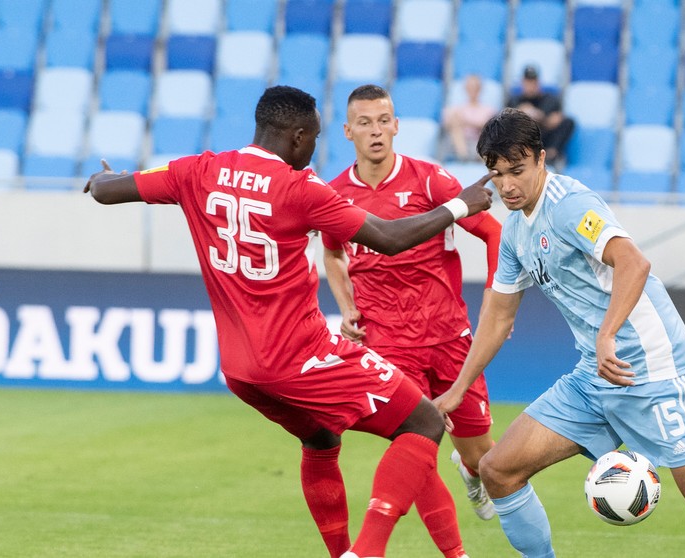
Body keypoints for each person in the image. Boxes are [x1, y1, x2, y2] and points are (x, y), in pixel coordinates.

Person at [84, 85, 493, 558]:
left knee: (320, 439)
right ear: (298, 137)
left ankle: (339, 553)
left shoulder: (198, 169)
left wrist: (99, 179)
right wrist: (460, 205)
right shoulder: (301, 188)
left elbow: (106, 190)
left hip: (241, 370)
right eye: (314, 139)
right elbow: (388, 237)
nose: (315, 149)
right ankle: (366, 553)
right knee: (423, 422)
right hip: (302, 355)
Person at [434, 108, 685, 558]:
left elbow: (634, 262)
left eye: (517, 170)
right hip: (594, 375)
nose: (506, 186)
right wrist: (458, 389)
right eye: (497, 174)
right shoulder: (515, 232)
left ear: (542, 159)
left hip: (652, 370)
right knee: (497, 470)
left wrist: (606, 335)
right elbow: (499, 317)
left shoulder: (569, 206)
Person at [321, 85, 502, 530]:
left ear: (397, 126)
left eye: (384, 120)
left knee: (484, 458)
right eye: (364, 123)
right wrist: (346, 307)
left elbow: (494, 233)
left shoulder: (430, 180)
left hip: (450, 336)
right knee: (415, 446)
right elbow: (332, 253)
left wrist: (498, 305)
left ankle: (470, 470)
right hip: (388, 342)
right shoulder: (334, 194)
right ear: (348, 131)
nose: (376, 131)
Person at [506, 65, 574, 170]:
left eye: (533, 82)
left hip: (545, 136)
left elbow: (555, 119)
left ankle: (551, 153)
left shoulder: (550, 99)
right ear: (522, 83)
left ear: (538, 83)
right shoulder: (515, 100)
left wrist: (536, 116)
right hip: (525, 140)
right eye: (527, 82)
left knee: (568, 122)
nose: (530, 85)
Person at [442, 74, 498, 162]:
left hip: (478, 142)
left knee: (485, 133)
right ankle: (463, 156)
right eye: (470, 87)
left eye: (475, 87)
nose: (472, 90)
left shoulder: (488, 109)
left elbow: (488, 126)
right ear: (466, 89)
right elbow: (447, 123)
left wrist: (466, 122)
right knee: (455, 128)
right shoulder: (457, 109)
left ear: (480, 89)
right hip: (460, 142)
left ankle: (472, 156)